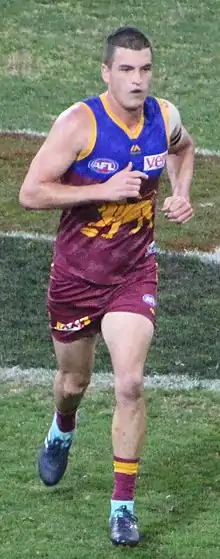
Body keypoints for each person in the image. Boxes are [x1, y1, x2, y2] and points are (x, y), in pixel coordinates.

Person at [19, 26, 194, 547]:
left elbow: (185, 151)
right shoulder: (79, 124)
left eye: (144, 69)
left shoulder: (165, 117)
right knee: (74, 384)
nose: (137, 80)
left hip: (133, 273)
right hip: (74, 277)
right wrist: (101, 189)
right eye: (126, 69)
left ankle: (122, 507)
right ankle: (62, 428)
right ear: (106, 72)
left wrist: (181, 191)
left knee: (130, 383)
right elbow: (30, 192)